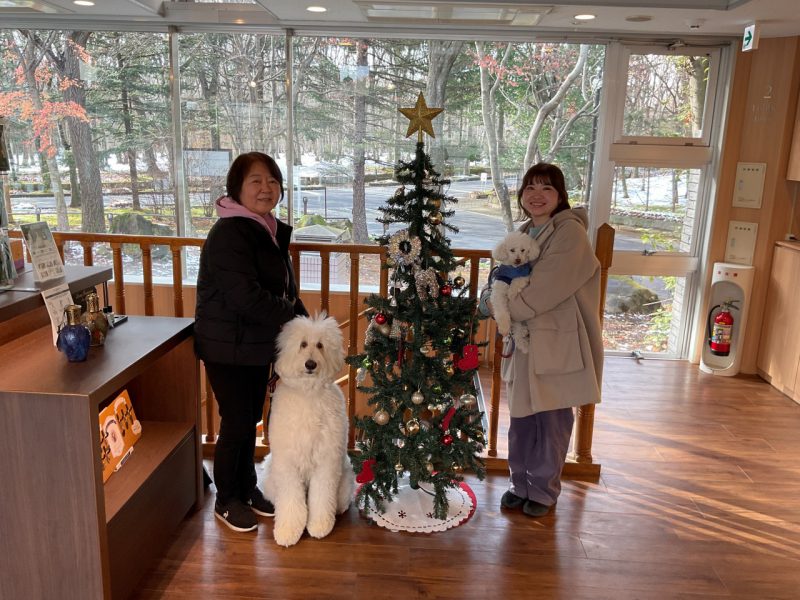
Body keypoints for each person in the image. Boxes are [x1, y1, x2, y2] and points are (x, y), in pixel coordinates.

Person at [195, 152, 308, 533]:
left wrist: (306, 322)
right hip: (227, 346)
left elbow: (284, 291)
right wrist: (293, 319)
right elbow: (245, 296)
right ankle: (227, 499)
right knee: (236, 421)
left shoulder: (264, 228)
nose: (266, 188)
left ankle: (246, 487)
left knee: (248, 420)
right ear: (237, 188)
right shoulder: (230, 232)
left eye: (272, 181)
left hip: (253, 344)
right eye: (256, 181)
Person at [499, 162, 603, 518]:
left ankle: (543, 491)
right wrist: (491, 300)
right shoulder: (525, 231)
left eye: (546, 188)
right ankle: (519, 484)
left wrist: (503, 308)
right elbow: (501, 276)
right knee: (522, 419)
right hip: (525, 342)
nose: (537, 195)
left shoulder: (570, 233)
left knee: (552, 420)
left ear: (560, 196)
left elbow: (544, 288)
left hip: (557, 342)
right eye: (530, 187)